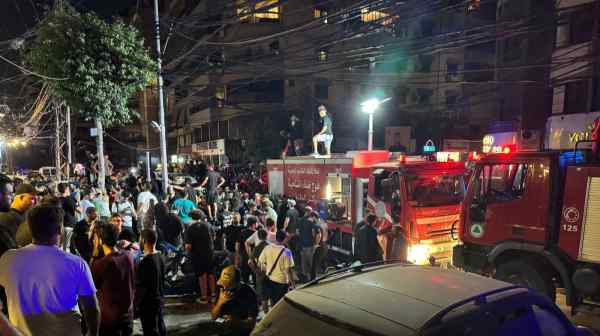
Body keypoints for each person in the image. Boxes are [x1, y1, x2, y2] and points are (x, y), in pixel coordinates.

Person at [0, 204, 100, 336]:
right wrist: (92, 333)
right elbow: (91, 308)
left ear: (31, 228)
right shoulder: (76, 264)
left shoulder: (8, 259)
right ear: (60, 229)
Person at [91, 224, 135, 336]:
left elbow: (93, 288)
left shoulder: (100, 264)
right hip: (127, 315)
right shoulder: (129, 256)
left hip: (109, 319)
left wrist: (95, 252)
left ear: (101, 239)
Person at [211, 265, 258, 336]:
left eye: (228, 287)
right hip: (223, 332)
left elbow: (252, 323)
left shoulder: (249, 293)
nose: (224, 288)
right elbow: (214, 317)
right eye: (223, 285)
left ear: (237, 284)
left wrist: (236, 322)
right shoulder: (221, 289)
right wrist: (220, 302)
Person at [136, 229, 166, 336]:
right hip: (159, 299)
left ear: (143, 240)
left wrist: (136, 305)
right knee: (160, 326)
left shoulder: (145, 262)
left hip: (149, 304)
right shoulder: (161, 257)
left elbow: (141, 287)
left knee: (151, 330)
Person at [185, 210, 216, 304]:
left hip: (198, 255)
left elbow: (188, 246)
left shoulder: (191, 228)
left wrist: (187, 253)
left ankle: (204, 296)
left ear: (192, 218)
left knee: (201, 275)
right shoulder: (208, 225)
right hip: (210, 253)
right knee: (211, 274)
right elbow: (213, 237)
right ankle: (213, 295)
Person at [258, 230, 295, 307]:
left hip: (270, 279)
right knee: (279, 304)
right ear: (284, 239)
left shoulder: (267, 248)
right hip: (282, 282)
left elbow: (261, 262)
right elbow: (288, 270)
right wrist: (293, 284)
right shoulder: (287, 251)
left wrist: (266, 270)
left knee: (273, 302)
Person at [248, 229, 269, 313]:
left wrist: (256, 270)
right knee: (270, 294)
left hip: (260, 273)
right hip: (270, 272)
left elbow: (250, 262)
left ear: (259, 237)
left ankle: (265, 315)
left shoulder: (257, 247)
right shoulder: (270, 246)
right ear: (266, 236)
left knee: (263, 296)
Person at [297, 211, 321, 282]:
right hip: (310, 246)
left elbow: (297, 232)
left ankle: (305, 278)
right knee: (311, 263)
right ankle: (313, 278)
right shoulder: (313, 224)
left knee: (303, 263)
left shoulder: (302, 221)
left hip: (302, 246)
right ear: (313, 217)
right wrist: (316, 244)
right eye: (316, 218)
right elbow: (318, 235)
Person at [58, 183, 77, 251]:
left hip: (61, 225)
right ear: (66, 189)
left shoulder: (58, 200)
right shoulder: (69, 200)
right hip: (69, 225)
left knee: (62, 245)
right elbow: (76, 210)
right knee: (67, 246)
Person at [237, 215, 256, 284]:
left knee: (245, 279)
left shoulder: (242, 232)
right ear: (254, 224)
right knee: (255, 279)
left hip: (244, 258)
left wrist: (238, 255)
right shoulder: (256, 234)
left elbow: (237, 246)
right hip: (254, 259)